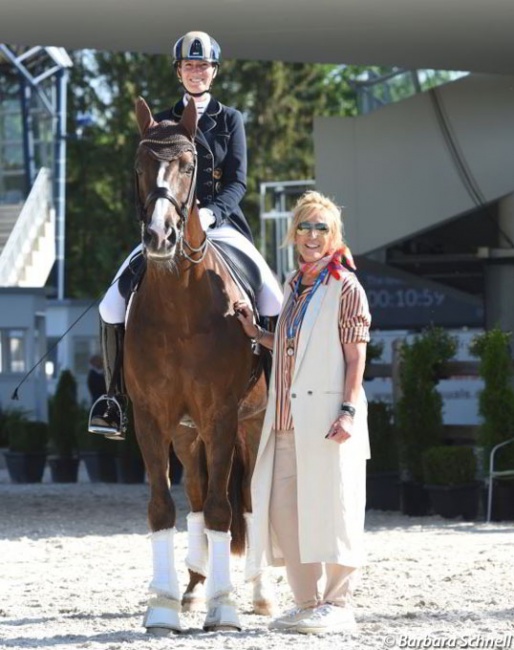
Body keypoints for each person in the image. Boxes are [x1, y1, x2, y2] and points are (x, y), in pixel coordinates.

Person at [89, 30, 283, 439]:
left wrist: (211, 215)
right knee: (110, 306)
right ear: (179, 71)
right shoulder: (161, 121)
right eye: (189, 65)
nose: (196, 72)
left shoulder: (230, 120)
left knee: (272, 297)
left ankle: (281, 391)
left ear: (214, 72)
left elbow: (238, 181)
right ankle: (114, 400)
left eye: (203, 66)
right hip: (167, 226)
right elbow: (145, 178)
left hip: (222, 225)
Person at [235, 191, 371, 635]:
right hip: (285, 421)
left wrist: (348, 410)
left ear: (334, 236)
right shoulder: (294, 284)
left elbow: (355, 358)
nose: (312, 236)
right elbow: (294, 347)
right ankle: (307, 601)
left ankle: (338, 603)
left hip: (330, 417)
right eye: (305, 227)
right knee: (283, 514)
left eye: (322, 228)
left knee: (333, 509)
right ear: (294, 233)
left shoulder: (346, 286)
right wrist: (257, 333)